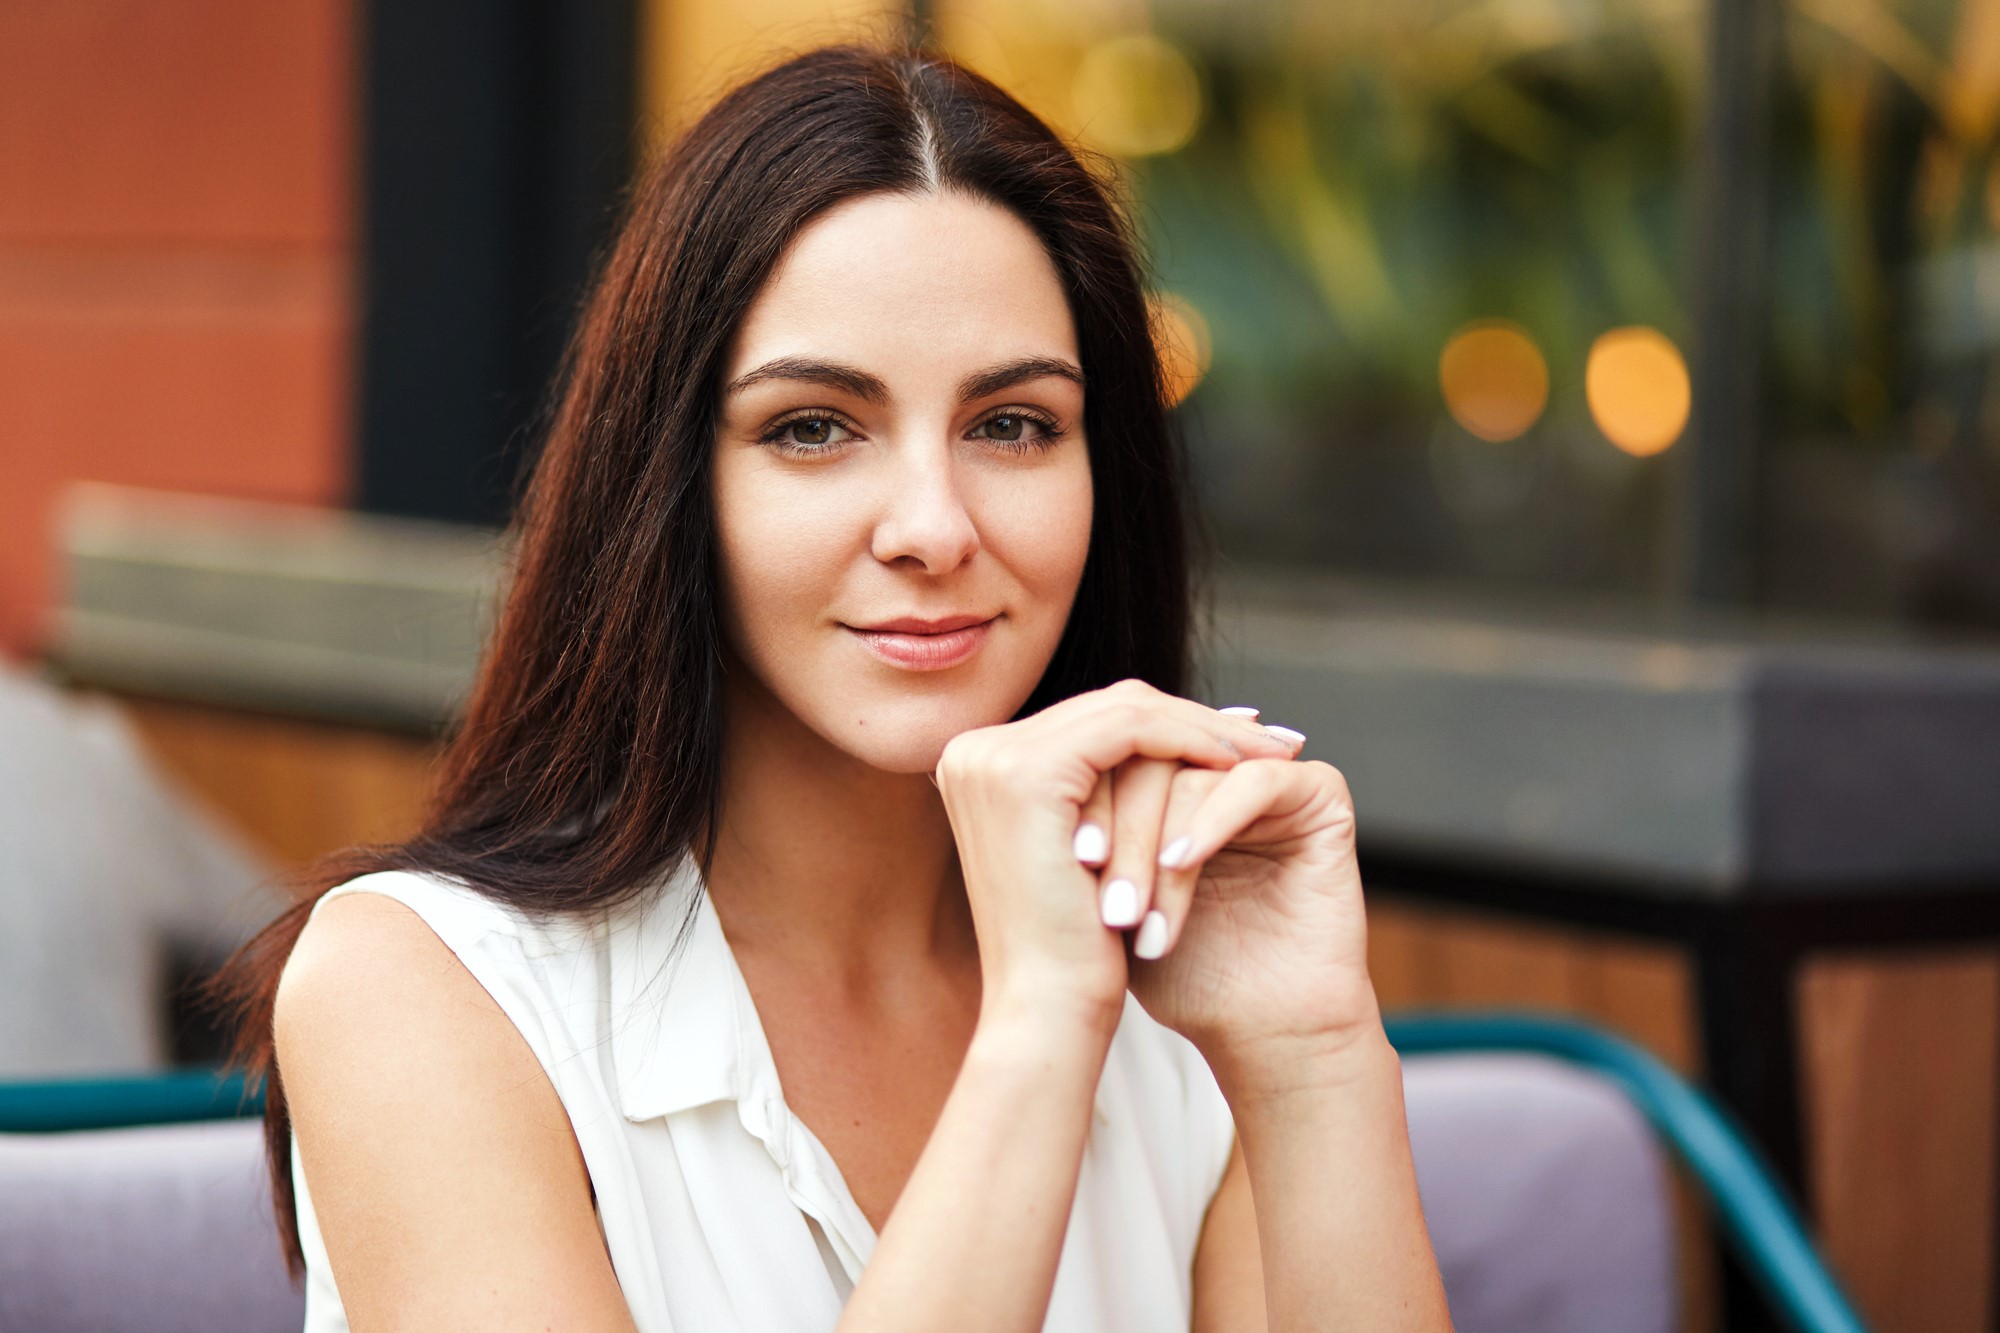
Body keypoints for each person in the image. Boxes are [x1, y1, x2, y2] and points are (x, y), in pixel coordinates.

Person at [219, 43, 1453, 1332]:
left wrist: (1313, 1060)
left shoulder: (1187, 995)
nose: (933, 526)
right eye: (813, 427)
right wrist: (1038, 1034)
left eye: (1012, 425)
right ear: (672, 484)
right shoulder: (423, 988)